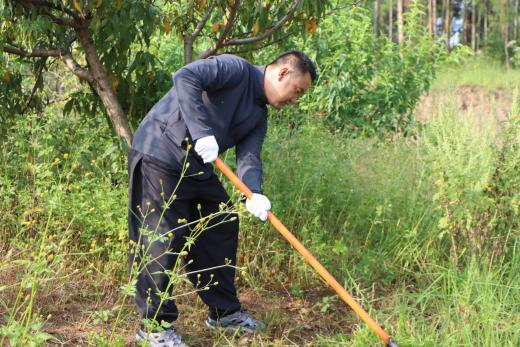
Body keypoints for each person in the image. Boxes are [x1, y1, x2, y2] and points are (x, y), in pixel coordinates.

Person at [128, 50, 316, 346]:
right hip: (160, 151)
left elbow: (249, 157)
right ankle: (154, 326)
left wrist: (253, 194)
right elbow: (185, 76)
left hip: (197, 167)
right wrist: (202, 133)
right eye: (297, 91)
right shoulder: (235, 69)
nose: (295, 99)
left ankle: (224, 313)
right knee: (161, 238)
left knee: (220, 223)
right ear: (282, 74)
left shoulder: (259, 115)